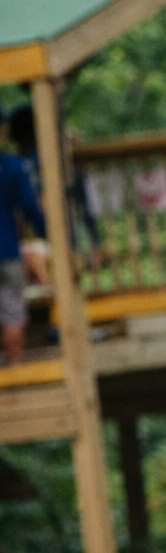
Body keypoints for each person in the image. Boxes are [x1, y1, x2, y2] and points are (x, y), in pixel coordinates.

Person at [0, 105, 45, 365]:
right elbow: (29, 207)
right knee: (13, 312)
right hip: (7, 250)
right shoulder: (12, 167)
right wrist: (48, 232)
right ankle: (15, 367)